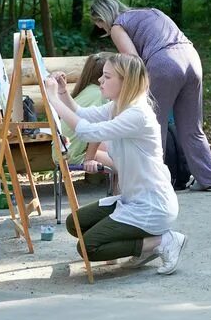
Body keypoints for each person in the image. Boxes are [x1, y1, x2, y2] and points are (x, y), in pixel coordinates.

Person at [43, 53, 187, 274]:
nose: (100, 80)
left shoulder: (138, 115)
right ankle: (144, 244)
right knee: (75, 224)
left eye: (107, 77)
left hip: (152, 206)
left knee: (88, 246)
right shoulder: (118, 107)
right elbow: (83, 114)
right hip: (133, 199)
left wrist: (52, 99)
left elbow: (86, 131)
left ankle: (161, 241)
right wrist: (62, 92)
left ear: (125, 82)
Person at [89, 0, 211, 191]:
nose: (101, 28)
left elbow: (133, 61)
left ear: (102, 18)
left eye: (99, 23)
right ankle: (208, 179)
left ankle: (154, 183)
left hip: (163, 64)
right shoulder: (151, 12)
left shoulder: (117, 26)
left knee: (152, 125)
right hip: (191, 58)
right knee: (192, 126)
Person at [59, 54, 112, 168]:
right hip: (75, 155)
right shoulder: (100, 94)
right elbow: (97, 129)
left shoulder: (87, 91)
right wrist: (89, 159)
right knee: (128, 160)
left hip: (62, 152)